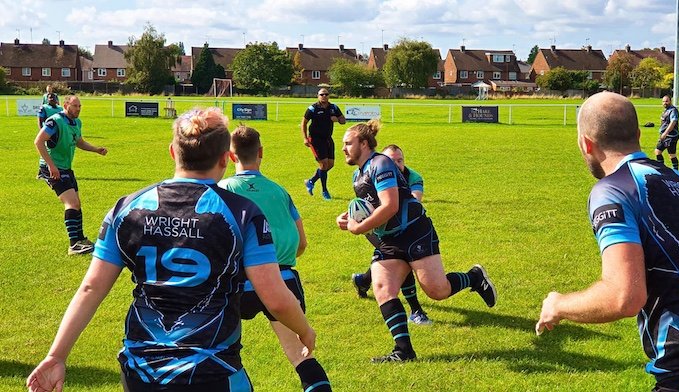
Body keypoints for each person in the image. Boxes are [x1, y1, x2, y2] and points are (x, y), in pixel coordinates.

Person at [26, 107, 316, 392]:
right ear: (225, 159)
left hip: (140, 371)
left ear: (172, 152)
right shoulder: (242, 212)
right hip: (212, 371)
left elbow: (91, 288)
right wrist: (303, 330)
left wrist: (56, 356)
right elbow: (275, 297)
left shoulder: (127, 208)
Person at [536, 92, 679, 391]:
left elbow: (624, 297)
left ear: (585, 143)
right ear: (638, 134)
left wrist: (559, 304)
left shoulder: (612, 190)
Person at [337, 119, 497, 363]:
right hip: (390, 238)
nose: (343, 148)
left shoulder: (381, 163)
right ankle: (404, 351)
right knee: (383, 288)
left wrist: (358, 228)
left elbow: (390, 205)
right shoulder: (358, 175)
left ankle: (474, 277)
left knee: (437, 290)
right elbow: (372, 207)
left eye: (348, 143)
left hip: (414, 232)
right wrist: (349, 217)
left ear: (364, 143)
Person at [219, 125, 332, 392]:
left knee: (225, 357)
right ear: (261, 153)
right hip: (282, 280)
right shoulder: (280, 191)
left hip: (237, 283)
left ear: (231, 156)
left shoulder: (221, 189)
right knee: (301, 355)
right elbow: (301, 243)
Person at [351, 144, 431, 325]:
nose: (395, 164)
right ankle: (416, 310)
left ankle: (363, 280)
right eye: (391, 160)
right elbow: (364, 205)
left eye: (400, 160)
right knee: (402, 259)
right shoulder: (373, 173)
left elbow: (414, 200)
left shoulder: (413, 176)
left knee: (394, 261)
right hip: (377, 228)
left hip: (401, 224)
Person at [34, 96, 107, 255]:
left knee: (77, 204)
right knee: (72, 203)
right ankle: (73, 245)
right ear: (66, 105)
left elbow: (79, 142)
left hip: (65, 168)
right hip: (52, 168)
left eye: (80, 106)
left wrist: (96, 150)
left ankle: (80, 239)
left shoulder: (76, 123)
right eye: (75, 106)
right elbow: (38, 142)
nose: (78, 109)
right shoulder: (55, 121)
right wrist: (51, 166)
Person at [302, 88, 346, 200]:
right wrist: (305, 138)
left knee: (330, 164)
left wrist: (337, 119)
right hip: (315, 140)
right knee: (324, 165)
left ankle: (311, 181)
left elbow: (343, 120)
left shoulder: (333, 107)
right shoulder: (313, 108)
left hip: (328, 139)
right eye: (322, 94)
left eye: (326, 94)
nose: (324, 96)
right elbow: (304, 123)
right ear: (318, 96)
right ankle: (325, 191)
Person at [654, 95, 679, 170]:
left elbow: (673, 122)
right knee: (657, 151)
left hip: (671, 136)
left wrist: (665, 133)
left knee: (672, 155)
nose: (664, 103)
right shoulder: (666, 110)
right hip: (664, 136)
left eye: (666, 101)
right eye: (663, 101)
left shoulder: (673, 110)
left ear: (670, 101)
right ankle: (662, 169)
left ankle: (676, 171)